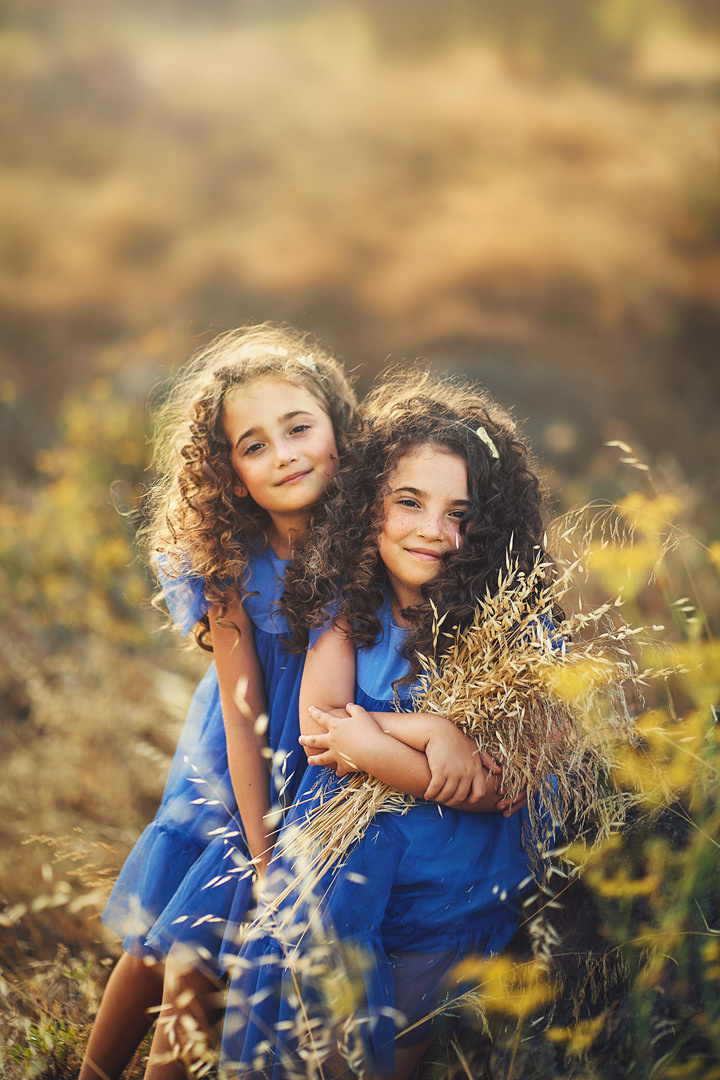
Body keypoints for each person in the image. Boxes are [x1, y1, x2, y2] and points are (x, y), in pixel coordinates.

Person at [221, 370, 558, 1079]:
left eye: (461, 514)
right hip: (348, 878)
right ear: (367, 504)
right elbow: (321, 730)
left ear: (492, 527)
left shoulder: (511, 626)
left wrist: (372, 741)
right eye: (409, 502)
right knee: (313, 1045)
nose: (433, 530)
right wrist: (430, 732)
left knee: (382, 1057)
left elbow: (495, 789)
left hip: (449, 888)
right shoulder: (350, 605)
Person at [79, 324, 359, 1080]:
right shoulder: (233, 562)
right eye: (255, 445)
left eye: (299, 428)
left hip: (320, 758)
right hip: (236, 755)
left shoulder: (371, 537)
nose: (285, 454)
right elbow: (242, 714)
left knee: (206, 948)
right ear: (233, 478)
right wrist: (264, 851)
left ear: (338, 432)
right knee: (173, 933)